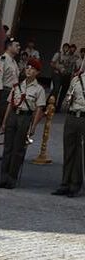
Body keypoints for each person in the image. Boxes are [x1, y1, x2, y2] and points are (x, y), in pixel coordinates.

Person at [0, 58, 46, 190]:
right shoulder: (16, 86)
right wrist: (4, 121)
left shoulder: (39, 89)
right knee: (7, 148)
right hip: (13, 115)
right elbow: (10, 104)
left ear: (37, 73)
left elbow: (39, 109)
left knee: (18, 149)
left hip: (25, 117)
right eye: (28, 68)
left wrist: (33, 126)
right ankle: (3, 177)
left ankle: (12, 178)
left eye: (33, 69)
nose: (29, 70)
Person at [54, 59, 84, 197]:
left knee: (79, 152)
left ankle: (75, 184)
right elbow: (67, 98)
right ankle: (64, 183)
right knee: (68, 150)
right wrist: (67, 100)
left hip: (84, 117)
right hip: (71, 117)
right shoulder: (76, 80)